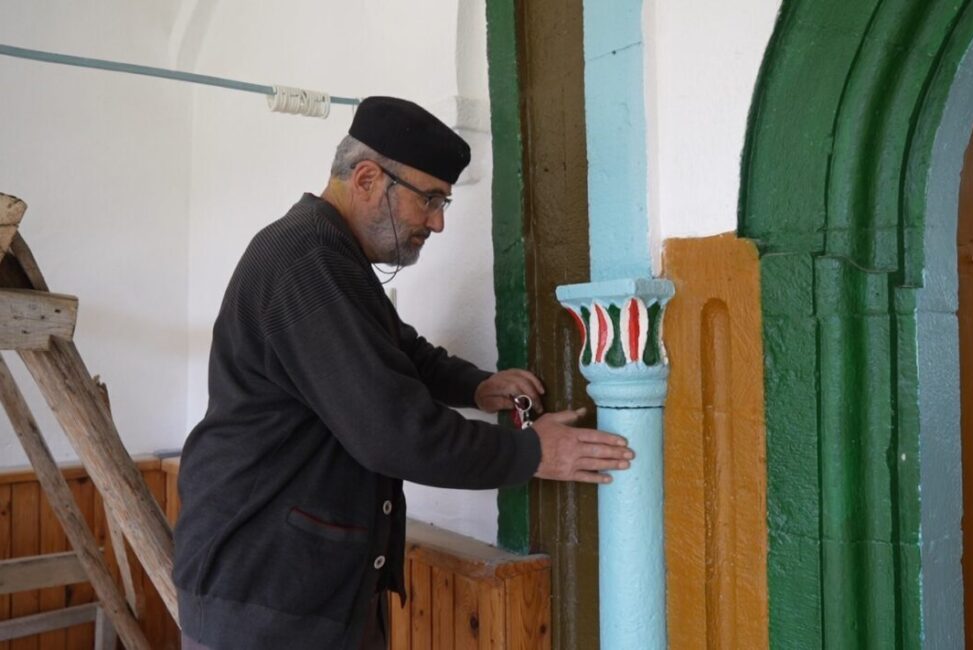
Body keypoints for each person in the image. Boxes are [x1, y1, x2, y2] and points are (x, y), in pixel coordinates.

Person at [172, 96, 634, 649]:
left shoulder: (328, 255)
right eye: (431, 200)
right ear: (367, 178)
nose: (437, 223)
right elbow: (393, 431)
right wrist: (535, 453)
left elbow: (395, 348)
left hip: (297, 591)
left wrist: (474, 386)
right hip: (268, 595)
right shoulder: (305, 259)